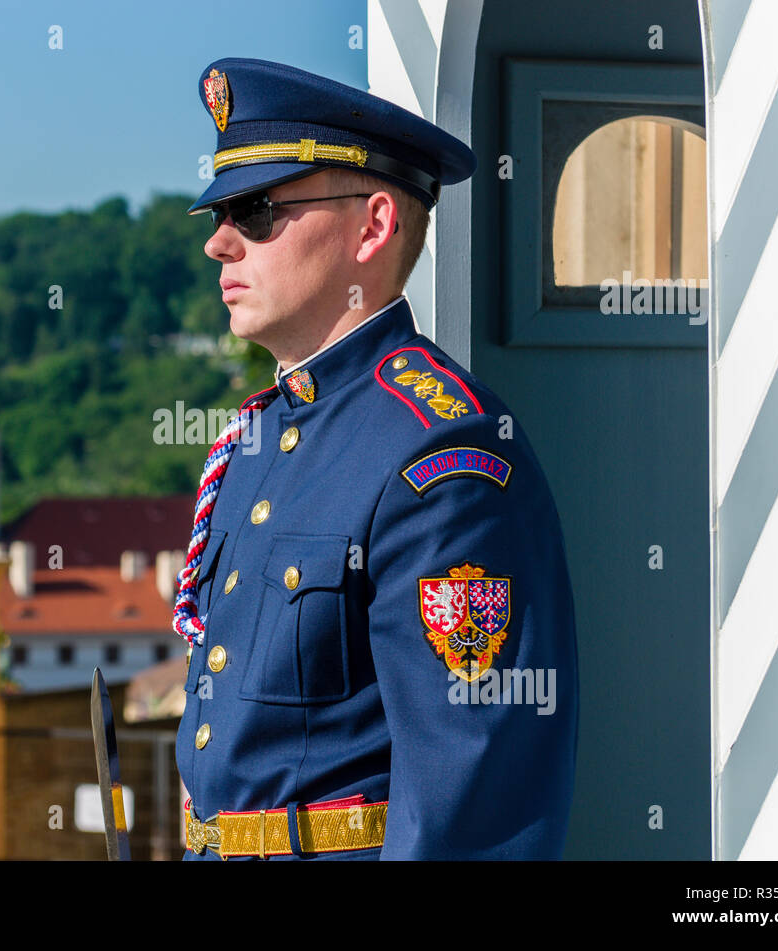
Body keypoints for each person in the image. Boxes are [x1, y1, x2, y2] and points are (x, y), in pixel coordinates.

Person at [172, 57, 578, 860]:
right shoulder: (257, 443)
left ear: (374, 225)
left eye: (256, 211)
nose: (220, 243)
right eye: (221, 214)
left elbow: (472, 800)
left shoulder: (443, 453)